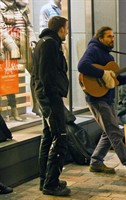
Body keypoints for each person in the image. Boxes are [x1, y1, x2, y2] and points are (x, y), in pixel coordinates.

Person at [77, 26, 126, 175]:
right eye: (109, 36)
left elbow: (116, 80)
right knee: (114, 132)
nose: (112, 39)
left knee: (108, 132)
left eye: (113, 36)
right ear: (100, 38)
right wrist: (102, 73)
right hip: (97, 98)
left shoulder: (109, 57)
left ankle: (96, 162)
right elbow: (82, 66)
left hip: (107, 97)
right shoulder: (94, 50)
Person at [32, 16, 70, 196]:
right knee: (59, 137)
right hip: (50, 98)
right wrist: (51, 97)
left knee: (48, 137)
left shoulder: (44, 42)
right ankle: (51, 183)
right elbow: (46, 75)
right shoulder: (49, 44)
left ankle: (45, 180)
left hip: (46, 97)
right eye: (66, 28)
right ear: (60, 29)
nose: (67, 32)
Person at [0, 0, 40, 119]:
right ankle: (13, 108)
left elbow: (29, 26)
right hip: (9, 47)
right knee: (10, 79)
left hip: (25, 46)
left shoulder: (22, 7)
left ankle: (37, 105)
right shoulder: (1, 8)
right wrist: (12, 46)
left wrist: (32, 40)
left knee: (36, 75)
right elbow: (1, 29)